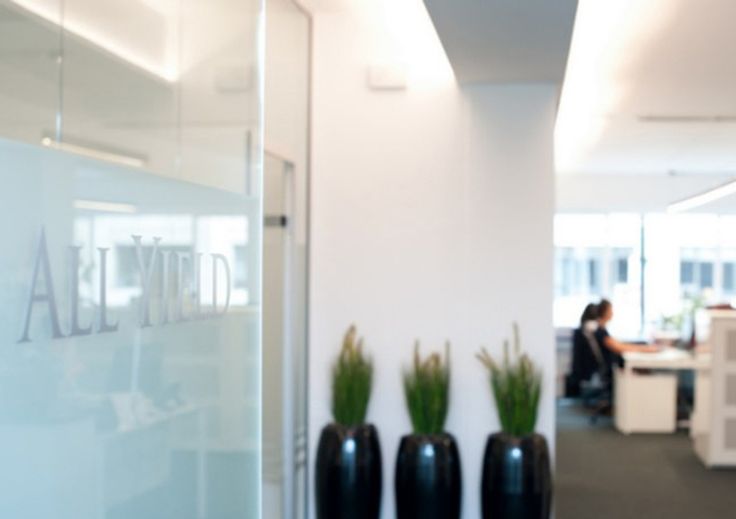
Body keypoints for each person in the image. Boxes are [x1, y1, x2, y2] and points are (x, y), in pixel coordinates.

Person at [595, 299, 659, 368]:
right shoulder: (601, 332)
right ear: (604, 312)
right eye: (610, 310)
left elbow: (618, 344)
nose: (612, 313)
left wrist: (645, 347)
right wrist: (645, 349)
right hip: (613, 368)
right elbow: (619, 347)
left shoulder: (601, 329)